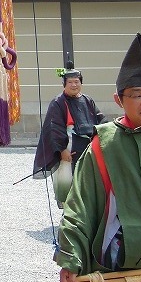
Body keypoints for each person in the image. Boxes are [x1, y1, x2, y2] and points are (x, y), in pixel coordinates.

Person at [55, 33, 141, 282]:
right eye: (137, 94)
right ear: (119, 98)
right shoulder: (104, 146)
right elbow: (80, 206)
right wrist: (70, 258)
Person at [33, 60, 105, 206]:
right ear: (64, 84)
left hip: (89, 146)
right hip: (69, 147)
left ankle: (87, 213)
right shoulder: (58, 102)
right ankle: (69, 212)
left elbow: (100, 119)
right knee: (67, 180)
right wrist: (61, 149)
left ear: (81, 83)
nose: (74, 85)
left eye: (77, 81)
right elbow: (54, 128)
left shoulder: (87, 100)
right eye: (70, 82)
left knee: (89, 181)